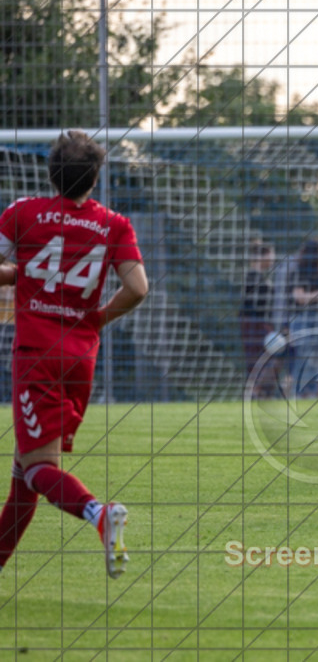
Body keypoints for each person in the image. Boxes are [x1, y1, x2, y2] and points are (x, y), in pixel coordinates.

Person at [0, 131, 148, 578]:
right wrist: (97, 319)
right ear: (95, 177)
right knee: (25, 470)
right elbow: (138, 287)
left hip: (37, 354)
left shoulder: (22, 214)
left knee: (38, 467)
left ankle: (99, 514)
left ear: (50, 172)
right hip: (80, 358)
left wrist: (15, 276)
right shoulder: (114, 224)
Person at [290, 238, 318, 398]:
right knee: (303, 358)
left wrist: (313, 296)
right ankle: (299, 394)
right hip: (303, 319)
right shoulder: (299, 271)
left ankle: (313, 395)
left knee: (317, 360)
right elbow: (299, 297)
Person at [240, 240, 277, 398]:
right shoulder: (253, 276)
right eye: (270, 255)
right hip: (253, 322)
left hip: (259, 322)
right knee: (257, 357)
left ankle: (259, 389)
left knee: (264, 356)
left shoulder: (259, 276)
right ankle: (255, 390)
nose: (272, 259)